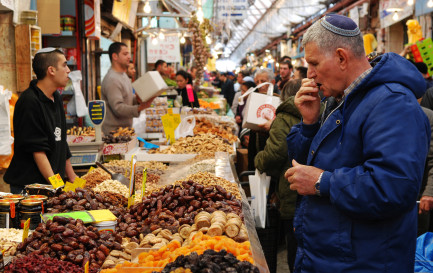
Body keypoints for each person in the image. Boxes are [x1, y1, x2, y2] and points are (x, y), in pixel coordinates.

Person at [284, 14, 429, 272]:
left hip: (363, 262)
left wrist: (322, 182)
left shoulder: (393, 103)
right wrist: (309, 124)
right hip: (330, 256)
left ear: (341, 57)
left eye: (314, 63)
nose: (310, 74)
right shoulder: (340, 99)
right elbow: (308, 165)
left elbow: (393, 187)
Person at [4, 48, 77, 193]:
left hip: (50, 184)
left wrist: (73, 177)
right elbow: (38, 151)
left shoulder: (56, 97)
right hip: (30, 188)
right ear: (51, 70)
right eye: (64, 65)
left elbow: (61, 142)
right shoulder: (29, 102)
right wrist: (57, 187)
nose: (68, 70)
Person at [254, 79, 302, 272]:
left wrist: (258, 160)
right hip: (309, 191)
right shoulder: (321, 111)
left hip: (291, 188)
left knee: (295, 249)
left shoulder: (283, 117)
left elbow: (275, 153)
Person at [101, 42, 154, 135]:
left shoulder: (123, 75)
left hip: (125, 131)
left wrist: (137, 99)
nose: (129, 57)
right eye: (125, 54)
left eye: (129, 53)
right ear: (115, 56)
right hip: (114, 135)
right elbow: (118, 108)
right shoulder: (112, 79)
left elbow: (126, 98)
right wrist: (139, 108)